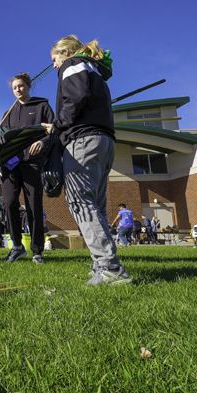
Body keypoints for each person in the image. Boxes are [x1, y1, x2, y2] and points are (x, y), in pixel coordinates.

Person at [41, 35, 131, 285]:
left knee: (81, 202)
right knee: (96, 205)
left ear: (67, 52)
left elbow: (75, 98)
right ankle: (100, 264)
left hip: (83, 141)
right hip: (104, 141)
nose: (54, 66)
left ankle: (110, 268)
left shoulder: (72, 65)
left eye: (54, 59)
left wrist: (57, 126)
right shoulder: (92, 68)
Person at [0, 72, 54, 265]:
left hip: (32, 162)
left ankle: (37, 251)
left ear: (29, 86)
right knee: (9, 203)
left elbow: (53, 131)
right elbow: (2, 139)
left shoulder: (42, 106)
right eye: (15, 88)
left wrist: (43, 141)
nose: (18, 90)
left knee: (34, 206)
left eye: (21, 86)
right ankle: (17, 247)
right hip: (10, 165)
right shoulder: (8, 113)